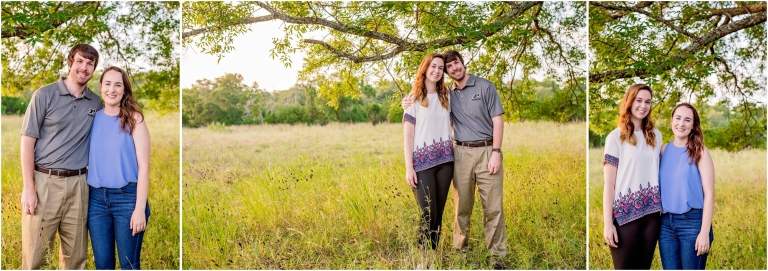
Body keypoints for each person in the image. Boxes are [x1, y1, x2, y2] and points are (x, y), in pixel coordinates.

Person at [403, 50, 506, 267]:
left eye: (450, 65)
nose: (448, 69)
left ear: (460, 64)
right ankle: (444, 256)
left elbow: (496, 120)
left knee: (483, 209)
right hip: (442, 158)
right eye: (442, 67)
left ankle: (495, 257)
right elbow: (412, 128)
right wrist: (408, 167)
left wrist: (496, 152)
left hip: (468, 156)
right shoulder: (430, 97)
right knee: (445, 210)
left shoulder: (466, 91)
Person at [20, 44, 103, 269]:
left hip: (79, 184)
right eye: (80, 61)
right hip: (45, 182)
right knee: (35, 256)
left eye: (90, 63)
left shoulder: (96, 103)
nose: (84, 68)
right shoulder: (44, 95)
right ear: (70, 63)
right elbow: (27, 142)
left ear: (94, 69)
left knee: (75, 259)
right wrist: (29, 187)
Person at [87, 66, 151, 270]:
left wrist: (140, 208)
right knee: (103, 264)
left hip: (127, 200)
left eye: (117, 85)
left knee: (129, 264)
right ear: (100, 86)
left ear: (124, 90)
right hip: (96, 201)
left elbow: (144, 167)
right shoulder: (92, 118)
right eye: (107, 84)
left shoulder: (134, 119)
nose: (111, 89)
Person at [602, 84, 663, 269]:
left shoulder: (656, 136)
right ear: (629, 102)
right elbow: (608, 185)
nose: (643, 106)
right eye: (639, 100)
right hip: (624, 218)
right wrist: (607, 224)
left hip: (652, 216)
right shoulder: (615, 137)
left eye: (648, 102)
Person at [403, 53, 454, 252]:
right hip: (422, 164)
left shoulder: (447, 96)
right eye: (433, 66)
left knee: (438, 213)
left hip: (446, 162)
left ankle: (431, 256)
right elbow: (408, 136)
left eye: (441, 68)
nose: (437, 70)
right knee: (427, 212)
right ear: (425, 68)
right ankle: (422, 257)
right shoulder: (413, 99)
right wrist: (409, 168)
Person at [658, 103, 714, 270]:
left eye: (687, 120)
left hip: (693, 223)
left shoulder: (700, 151)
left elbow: (709, 195)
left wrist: (704, 232)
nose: (681, 124)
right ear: (671, 121)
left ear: (693, 125)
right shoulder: (663, 150)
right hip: (666, 224)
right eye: (678, 118)